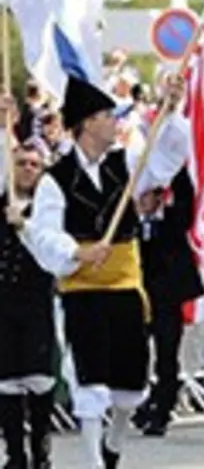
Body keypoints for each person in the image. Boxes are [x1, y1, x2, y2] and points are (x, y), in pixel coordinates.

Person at [25, 75, 189, 469]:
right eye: (105, 115)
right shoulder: (56, 179)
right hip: (83, 289)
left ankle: (115, 440)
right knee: (89, 375)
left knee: (131, 377)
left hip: (125, 284)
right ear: (85, 123)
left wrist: (170, 110)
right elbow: (43, 233)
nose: (114, 121)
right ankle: (92, 460)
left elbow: (165, 159)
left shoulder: (126, 163)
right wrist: (78, 251)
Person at [132, 168, 203, 437]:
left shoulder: (173, 221)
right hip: (138, 296)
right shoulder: (129, 223)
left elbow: (186, 199)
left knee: (166, 355)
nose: (144, 201)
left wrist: (172, 163)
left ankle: (163, 407)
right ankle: (140, 402)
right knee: (136, 354)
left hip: (166, 298)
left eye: (149, 195)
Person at [0, 133, 55, 469]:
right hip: (3, 303)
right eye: (21, 163)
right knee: (6, 379)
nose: (27, 169)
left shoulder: (48, 209)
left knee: (39, 378)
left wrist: (27, 225)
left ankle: (40, 449)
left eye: (34, 165)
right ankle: (15, 454)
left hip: (36, 302)